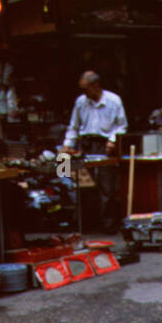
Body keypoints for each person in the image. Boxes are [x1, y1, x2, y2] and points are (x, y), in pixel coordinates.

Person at [61, 71, 127, 232]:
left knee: (107, 187)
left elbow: (122, 125)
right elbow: (74, 126)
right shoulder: (81, 102)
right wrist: (67, 145)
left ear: (96, 86)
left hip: (105, 144)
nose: (84, 93)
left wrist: (112, 140)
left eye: (86, 89)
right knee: (84, 185)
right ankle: (89, 223)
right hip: (86, 144)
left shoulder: (113, 101)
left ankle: (108, 223)